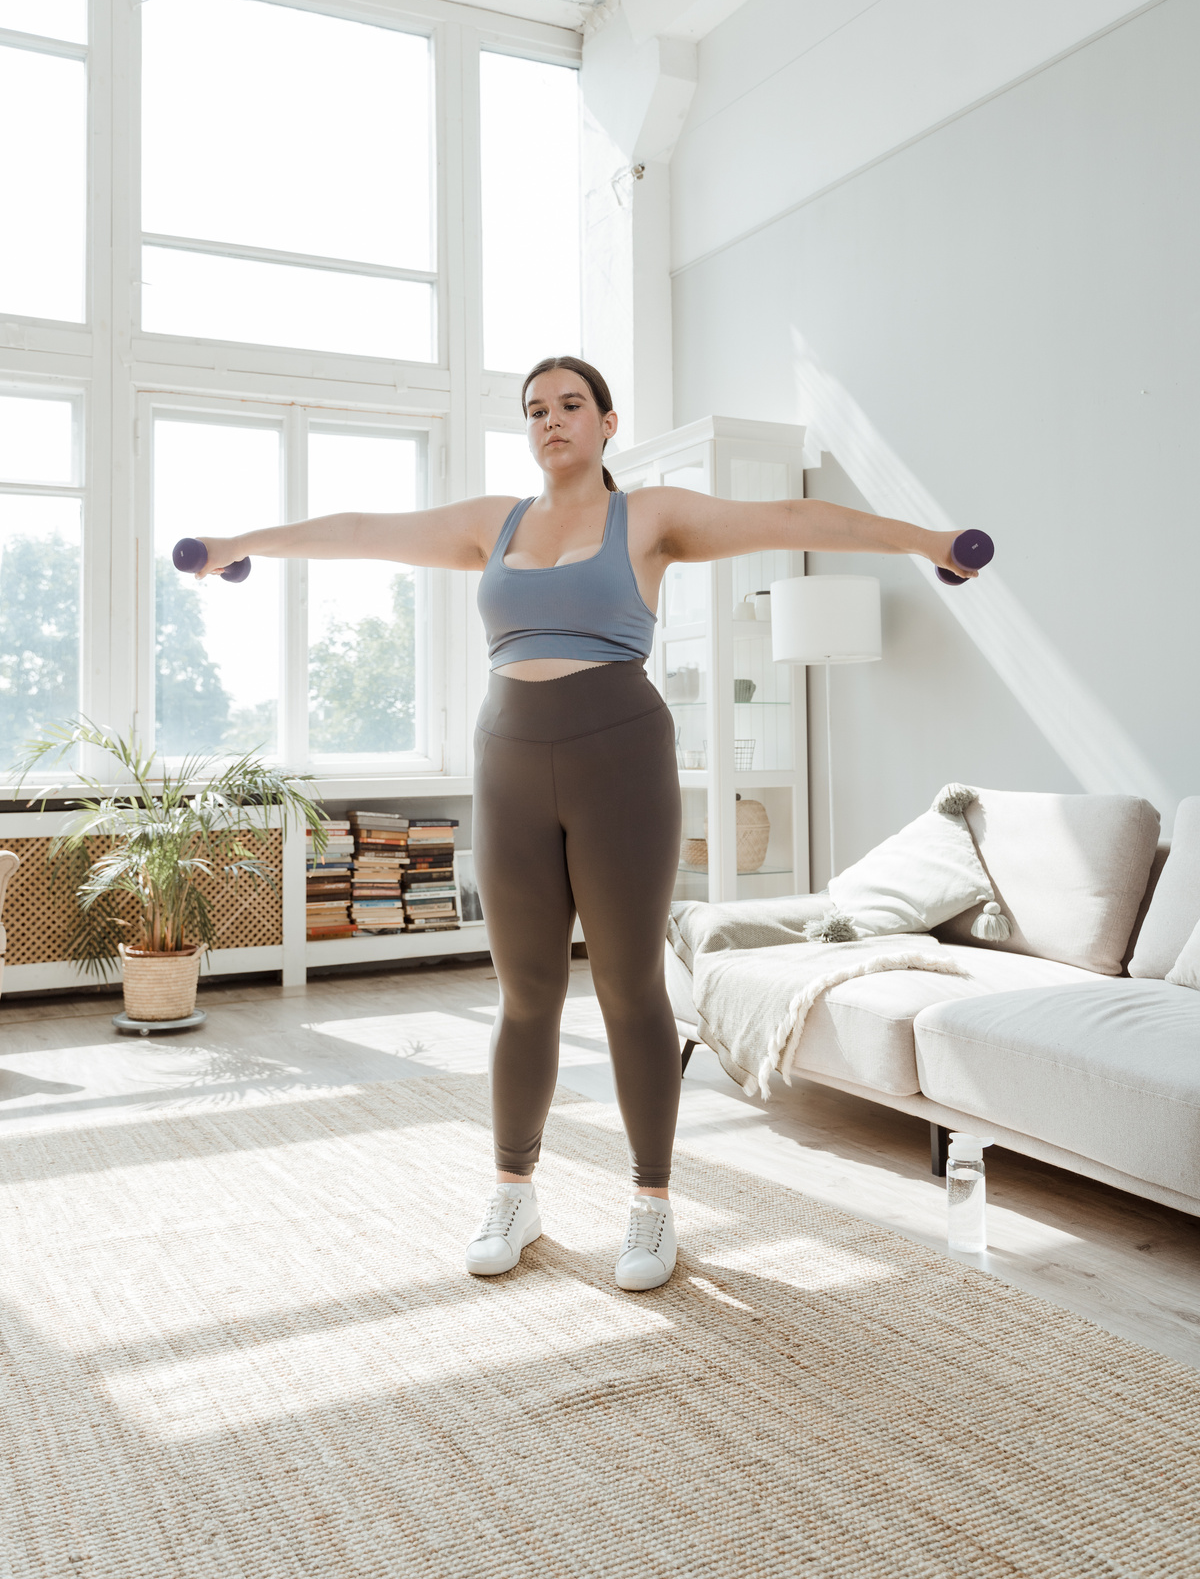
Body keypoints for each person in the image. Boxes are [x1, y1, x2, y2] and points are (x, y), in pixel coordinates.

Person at [191, 356, 982, 1290]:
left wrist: (927, 540)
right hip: (509, 766)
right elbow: (367, 530)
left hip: (621, 763)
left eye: (571, 405)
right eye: (535, 409)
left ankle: (651, 1206)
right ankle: (512, 1192)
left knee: (628, 988)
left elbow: (796, 521)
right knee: (524, 992)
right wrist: (242, 541)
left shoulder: (648, 517)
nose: (551, 420)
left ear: (608, 423)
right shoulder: (497, 523)